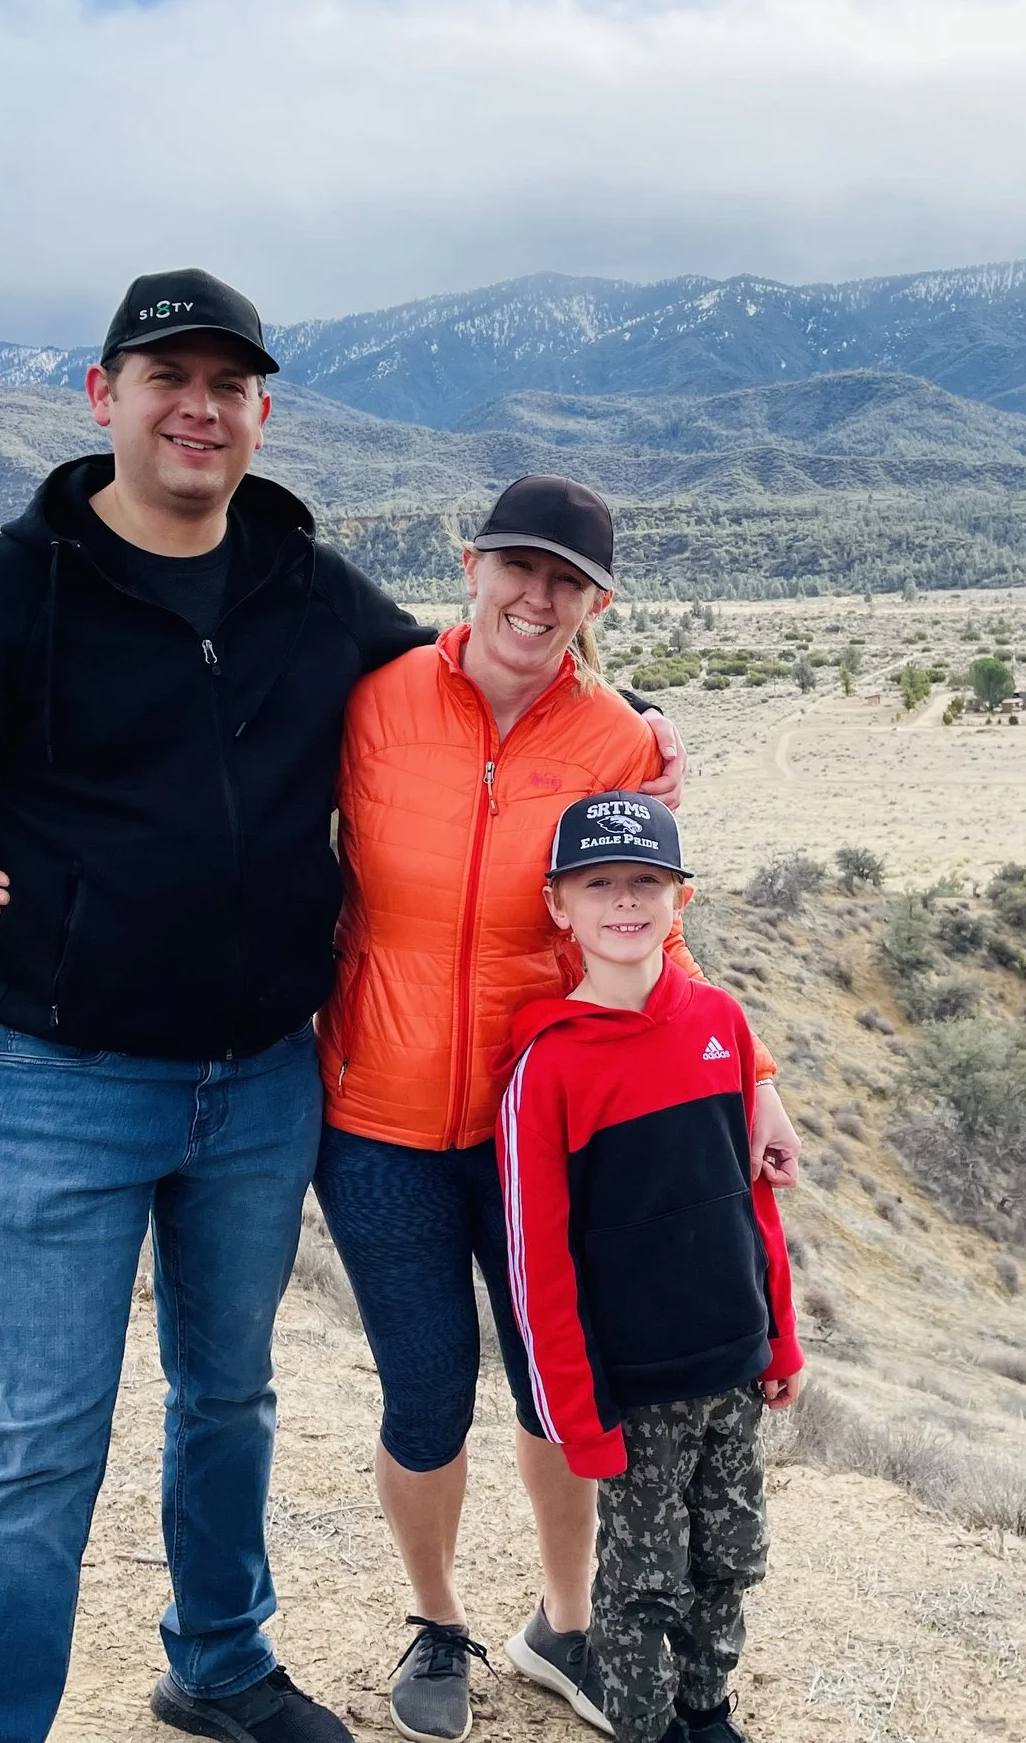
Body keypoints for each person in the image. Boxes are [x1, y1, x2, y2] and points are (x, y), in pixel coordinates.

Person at [0, 271, 686, 1743]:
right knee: (41, 1438)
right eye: (166, 374)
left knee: (228, 1396)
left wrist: (633, 732)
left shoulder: (306, 588)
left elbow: (488, 677)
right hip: (70, 1072)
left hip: (261, 1081)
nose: (199, 406)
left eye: (228, 384)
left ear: (262, 413)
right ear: (100, 392)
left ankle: (222, 1660)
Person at [305, 474, 801, 1743]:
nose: (538, 597)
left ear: (597, 603)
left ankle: (564, 1624)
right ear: (468, 566)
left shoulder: (620, 743)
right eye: (518, 568)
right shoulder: (372, 704)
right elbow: (239, 821)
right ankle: (436, 1619)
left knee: (558, 1387)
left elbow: (642, 931)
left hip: (557, 1130)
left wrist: (753, 1075)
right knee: (424, 1393)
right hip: (382, 1118)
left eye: (567, 581)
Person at [498, 792, 803, 1743]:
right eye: (599, 884)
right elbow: (535, 1261)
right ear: (560, 906)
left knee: (731, 1558)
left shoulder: (721, 1022)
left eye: (647, 882)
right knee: (643, 1585)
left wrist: (780, 1338)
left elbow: (754, 1201)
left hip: (735, 1370)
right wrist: (572, 1415)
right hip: (634, 1393)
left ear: (682, 899)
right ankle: (648, 1727)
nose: (624, 902)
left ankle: (706, 1712)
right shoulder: (548, 1065)